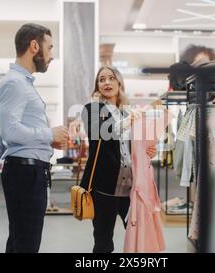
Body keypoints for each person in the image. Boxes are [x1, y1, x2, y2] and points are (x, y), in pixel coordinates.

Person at [0, 23, 68, 253]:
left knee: (21, 241)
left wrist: (48, 141)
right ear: (34, 46)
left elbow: (18, 128)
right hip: (24, 173)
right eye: (50, 47)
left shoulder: (21, 83)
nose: (52, 55)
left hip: (28, 172)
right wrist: (48, 134)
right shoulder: (15, 84)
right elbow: (10, 132)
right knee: (26, 244)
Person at [80, 66, 157, 253]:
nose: (106, 82)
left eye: (111, 78)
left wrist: (148, 151)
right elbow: (103, 133)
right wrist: (128, 121)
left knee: (138, 236)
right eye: (101, 79)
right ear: (97, 86)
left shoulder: (125, 112)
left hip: (130, 187)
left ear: (119, 82)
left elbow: (133, 147)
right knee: (103, 241)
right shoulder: (91, 109)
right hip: (104, 187)